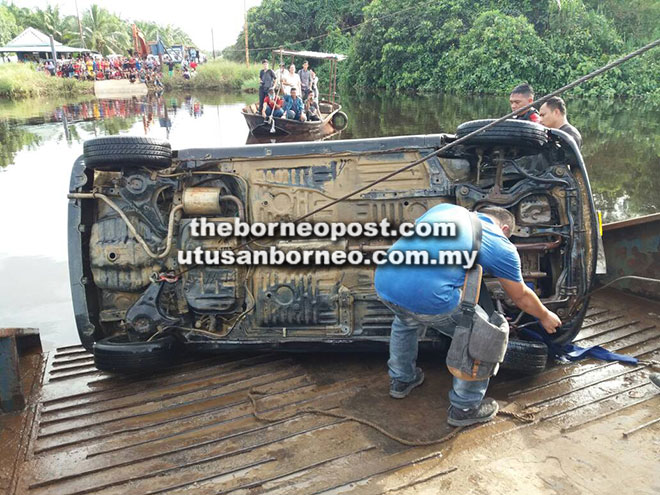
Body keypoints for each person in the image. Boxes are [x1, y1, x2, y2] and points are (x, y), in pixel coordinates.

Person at [374, 204, 561, 427]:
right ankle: (465, 407)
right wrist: (544, 315)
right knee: (481, 335)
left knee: (405, 321)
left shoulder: (443, 209)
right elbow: (520, 296)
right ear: (504, 229)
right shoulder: (500, 244)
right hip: (428, 296)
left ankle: (401, 380)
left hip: (385, 282)